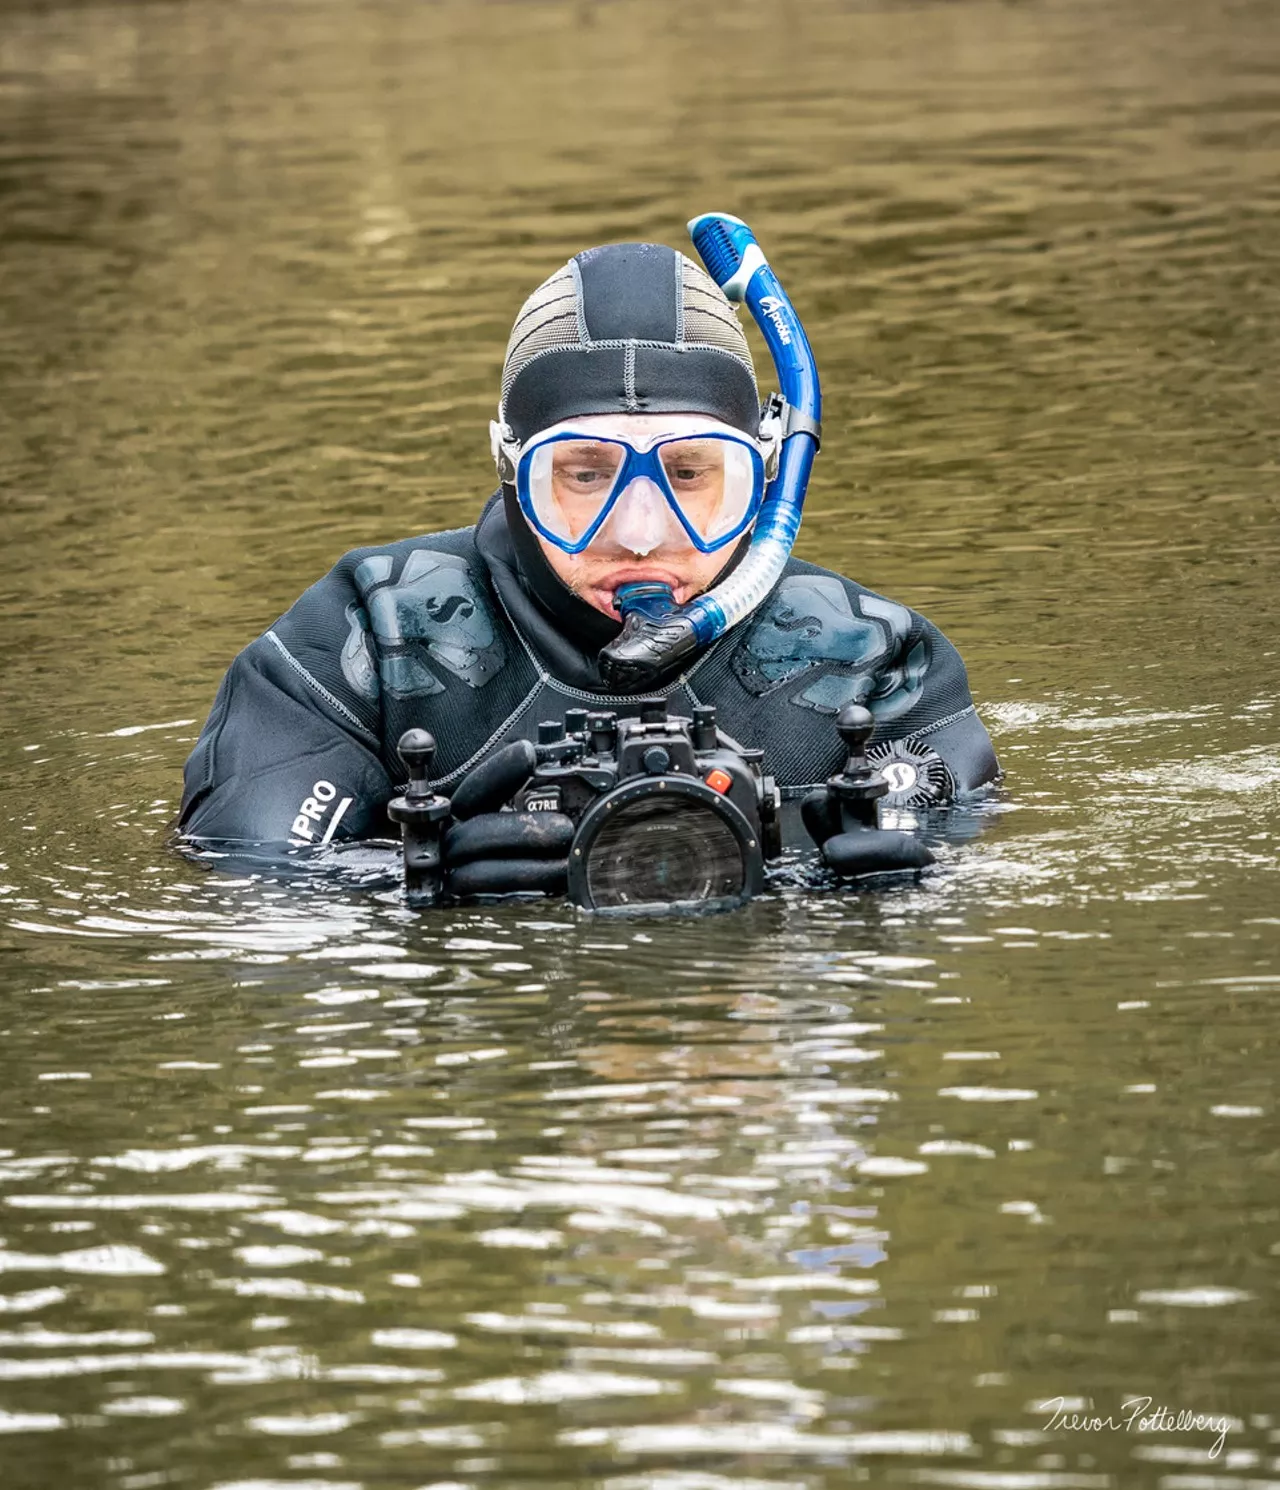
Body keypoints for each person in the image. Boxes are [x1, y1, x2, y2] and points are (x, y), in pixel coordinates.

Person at [179, 236, 999, 894]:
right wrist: (415, 878)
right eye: (584, 475)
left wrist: (856, 874)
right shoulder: (363, 638)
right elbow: (244, 883)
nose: (640, 536)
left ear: (762, 471)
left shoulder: (868, 659)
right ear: (509, 468)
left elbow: (968, 837)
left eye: (688, 475)